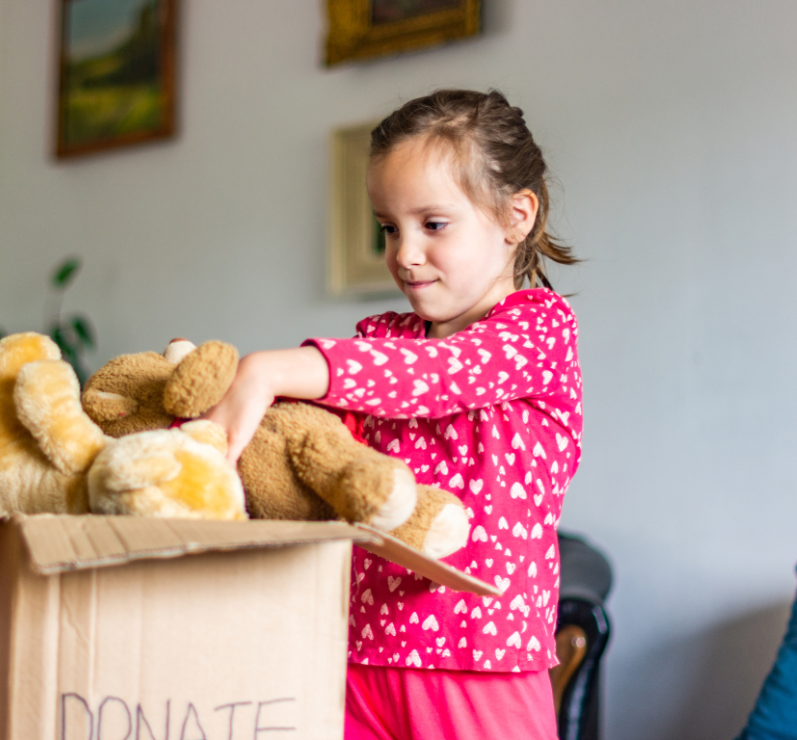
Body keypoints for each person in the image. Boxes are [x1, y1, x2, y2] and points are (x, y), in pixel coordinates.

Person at [204, 89, 581, 739]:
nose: (404, 253)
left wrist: (268, 369)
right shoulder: (382, 336)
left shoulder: (539, 330)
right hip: (354, 653)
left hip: (478, 663)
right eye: (389, 227)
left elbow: (431, 378)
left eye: (433, 225)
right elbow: (315, 454)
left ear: (515, 216)